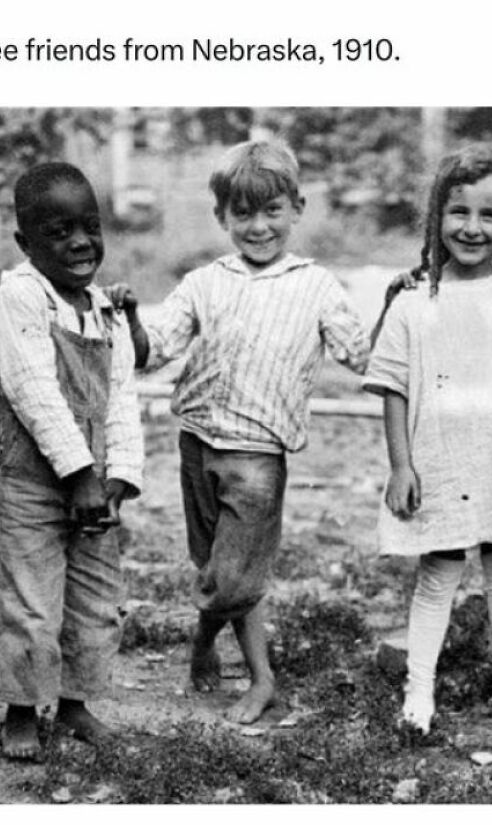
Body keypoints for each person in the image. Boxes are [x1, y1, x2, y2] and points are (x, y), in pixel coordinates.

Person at [109, 140, 410, 725]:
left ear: (297, 207)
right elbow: (152, 352)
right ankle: (203, 639)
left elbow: (364, 357)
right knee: (213, 566)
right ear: (222, 217)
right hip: (196, 440)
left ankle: (260, 677)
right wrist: (129, 316)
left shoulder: (316, 286)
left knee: (235, 576)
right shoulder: (203, 282)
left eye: (272, 210)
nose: (258, 226)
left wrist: (393, 305)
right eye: (242, 213)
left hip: (258, 457)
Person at [363, 144, 492, 734]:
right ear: (436, 217)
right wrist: (402, 467)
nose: (472, 228)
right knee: (439, 571)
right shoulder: (414, 302)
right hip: (438, 462)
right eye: (459, 212)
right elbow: (393, 388)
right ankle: (418, 695)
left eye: (490, 215)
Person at [0, 162, 144, 759]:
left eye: (89, 226)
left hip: (92, 486)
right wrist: (77, 475)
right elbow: (33, 391)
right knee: (30, 600)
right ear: (25, 243)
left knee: (95, 599)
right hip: (31, 482)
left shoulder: (103, 308)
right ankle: (22, 708)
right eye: (58, 231)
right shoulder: (18, 298)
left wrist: (119, 474)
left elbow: (120, 394)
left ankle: (74, 704)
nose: (79, 242)